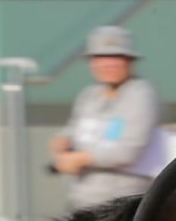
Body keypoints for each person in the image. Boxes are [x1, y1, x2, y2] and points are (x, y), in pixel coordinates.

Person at [48, 25, 165, 210]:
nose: (108, 64)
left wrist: (80, 159)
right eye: (100, 58)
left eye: (116, 57)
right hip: (82, 202)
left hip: (122, 206)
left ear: (130, 61)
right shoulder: (89, 95)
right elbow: (73, 130)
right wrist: (62, 142)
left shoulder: (141, 94)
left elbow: (127, 151)